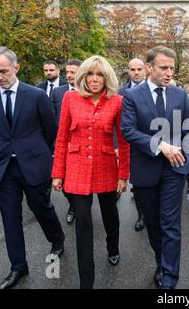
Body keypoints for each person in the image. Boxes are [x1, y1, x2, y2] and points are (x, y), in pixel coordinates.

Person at [0, 47, 65, 289]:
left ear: (16, 68)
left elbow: (50, 130)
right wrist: (3, 149)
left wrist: (40, 154)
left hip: (34, 164)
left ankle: (57, 239)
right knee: (9, 218)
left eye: (3, 71)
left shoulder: (36, 95)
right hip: (5, 167)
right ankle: (18, 267)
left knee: (41, 207)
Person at [51, 55, 130, 289]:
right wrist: (58, 172)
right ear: (82, 77)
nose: (94, 79)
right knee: (83, 226)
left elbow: (124, 142)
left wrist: (123, 175)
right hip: (77, 169)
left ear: (107, 78)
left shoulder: (117, 101)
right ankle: (87, 281)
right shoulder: (69, 98)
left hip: (106, 167)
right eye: (90, 74)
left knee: (110, 215)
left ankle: (113, 246)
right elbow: (62, 136)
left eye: (100, 75)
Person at [121, 46, 189, 289]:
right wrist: (161, 145)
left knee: (170, 224)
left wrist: (186, 160)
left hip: (175, 170)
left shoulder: (180, 95)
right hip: (145, 170)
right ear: (149, 67)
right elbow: (128, 131)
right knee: (153, 224)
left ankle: (170, 279)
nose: (169, 73)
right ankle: (161, 263)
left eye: (172, 68)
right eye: (164, 67)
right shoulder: (131, 96)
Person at [117, 58, 147, 232]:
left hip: (147, 142)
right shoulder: (120, 92)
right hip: (127, 144)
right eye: (132, 69)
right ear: (128, 71)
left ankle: (152, 213)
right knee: (136, 183)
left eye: (139, 69)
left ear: (145, 70)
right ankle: (141, 215)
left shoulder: (151, 90)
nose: (136, 73)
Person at [51, 59, 82, 224]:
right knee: (63, 180)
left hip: (81, 145)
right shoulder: (58, 92)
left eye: (73, 72)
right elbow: (51, 118)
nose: (69, 75)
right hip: (62, 143)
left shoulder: (90, 92)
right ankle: (73, 205)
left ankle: (81, 207)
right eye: (67, 72)